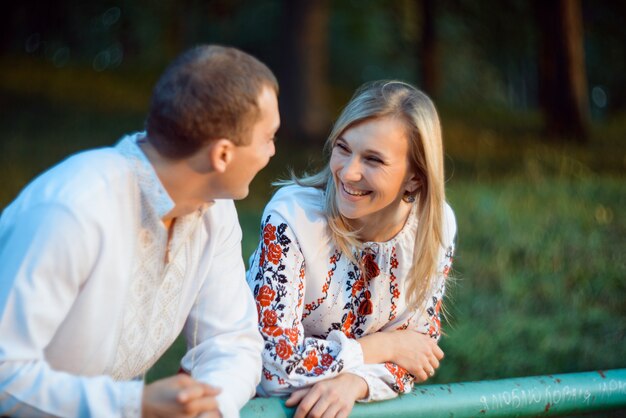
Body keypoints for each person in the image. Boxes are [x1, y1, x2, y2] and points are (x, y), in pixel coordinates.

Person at [0, 44, 280, 418]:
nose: (272, 152)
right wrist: (135, 406)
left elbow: (231, 341)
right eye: (268, 138)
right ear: (223, 154)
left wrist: (212, 407)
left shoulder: (215, 210)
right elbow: (5, 375)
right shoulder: (73, 210)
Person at [246, 80, 456, 418]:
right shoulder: (293, 217)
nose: (348, 172)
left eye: (372, 159)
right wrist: (384, 346)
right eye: (343, 148)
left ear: (415, 177)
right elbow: (272, 367)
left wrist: (355, 383)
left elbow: (419, 352)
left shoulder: (436, 227)